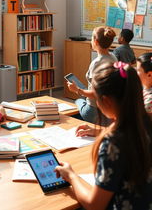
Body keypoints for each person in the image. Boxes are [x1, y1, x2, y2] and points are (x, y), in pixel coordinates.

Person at [55, 62, 152, 210]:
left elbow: (95, 205)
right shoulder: (146, 123)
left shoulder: (112, 143)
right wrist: (100, 131)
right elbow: (131, 133)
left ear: (105, 100)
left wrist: (71, 176)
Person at [67, 26, 117, 124]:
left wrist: (77, 90)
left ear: (96, 42)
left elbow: (96, 94)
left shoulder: (96, 63)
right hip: (109, 108)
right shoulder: (114, 58)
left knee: (78, 101)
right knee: (82, 100)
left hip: (94, 111)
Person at [137, 52, 152, 118]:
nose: (135, 72)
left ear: (149, 74)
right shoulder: (143, 87)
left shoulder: (149, 101)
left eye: (138, 70)